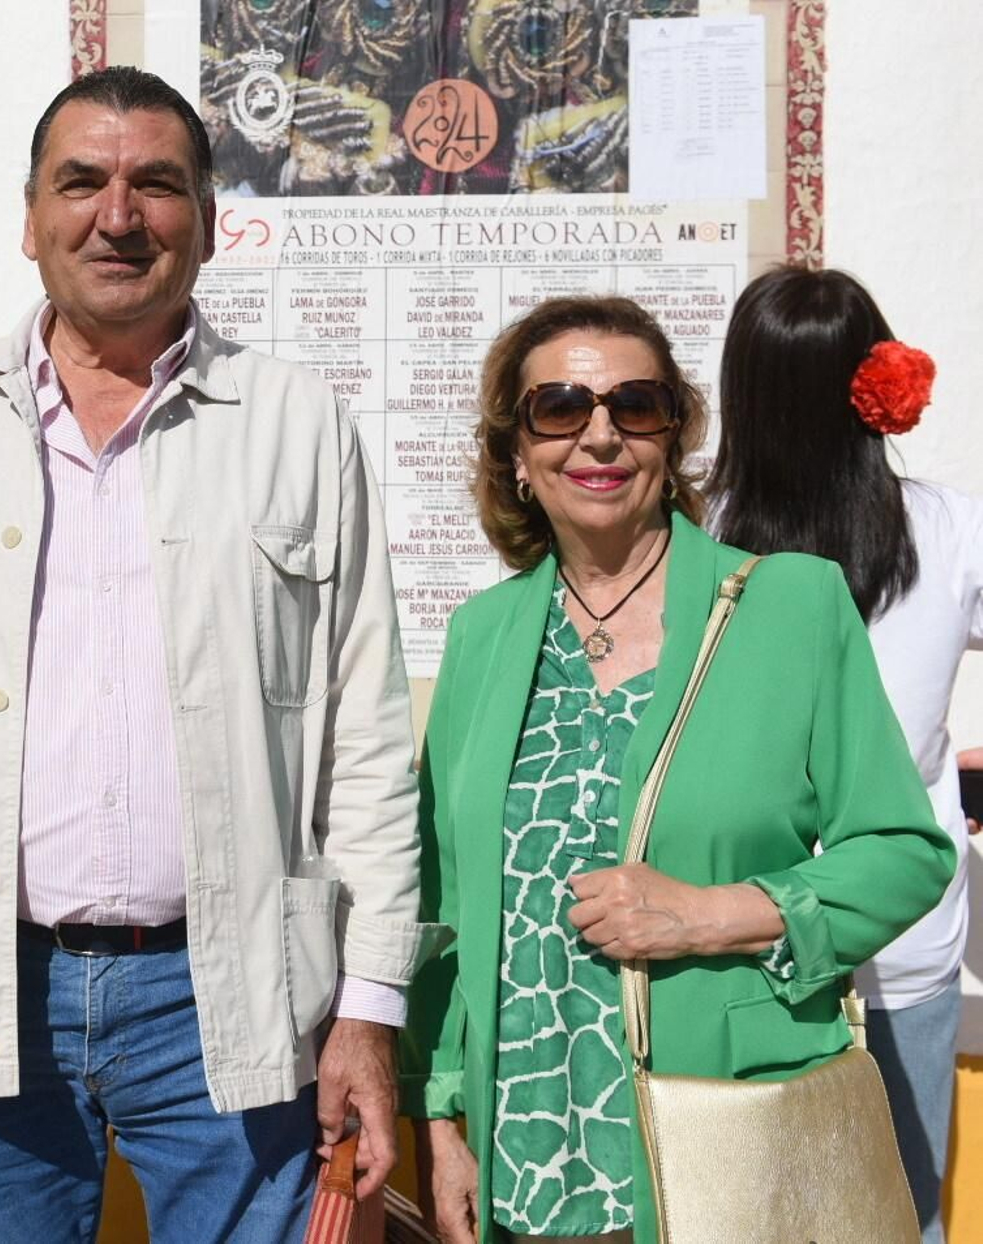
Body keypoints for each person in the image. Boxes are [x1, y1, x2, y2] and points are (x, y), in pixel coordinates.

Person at [0, 66, 434, 1243]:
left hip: (237, 998)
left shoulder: (295, 424)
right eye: (83, 181)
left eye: (156, 183)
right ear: (31, 217)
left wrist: (365, 1010)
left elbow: (363, 736)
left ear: (205, 217)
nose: (119, 213)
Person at [400, 294, 953, 1244]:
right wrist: (443, 1122)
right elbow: (440, 909)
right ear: (518, 456)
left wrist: (713, 911)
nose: (600, 436)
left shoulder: (790, 604)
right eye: (561, 409)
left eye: (637, 406)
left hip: (723, 1142)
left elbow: (902, 852)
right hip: (525, 1160)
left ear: (675, 435)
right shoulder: (480, 638)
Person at [710, 265, 983, 1244]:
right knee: (903, 1209)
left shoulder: (698, 545)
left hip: (736, 931)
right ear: (878, 384)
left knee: (739, 1209)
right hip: (903, 925)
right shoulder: (950, 531)